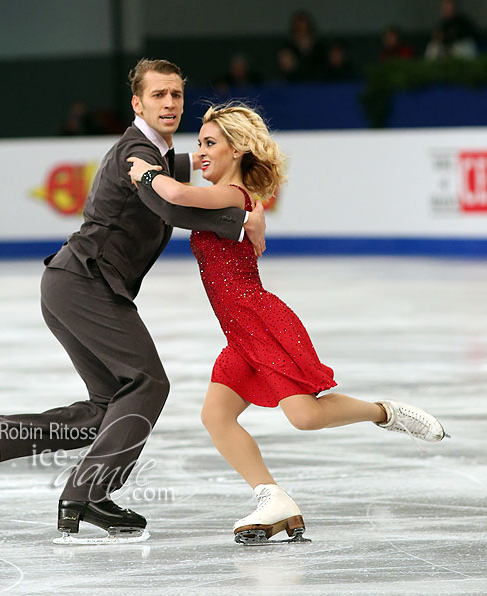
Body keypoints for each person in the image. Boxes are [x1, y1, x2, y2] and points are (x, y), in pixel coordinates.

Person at [0, 59, 266, 543]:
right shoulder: (137, 150)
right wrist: (242, 223)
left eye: (177, 94)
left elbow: (194, 179)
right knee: (148, 384)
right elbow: (169, 204)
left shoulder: (155, 152)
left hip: (72, 282)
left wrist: (246, 194)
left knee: (110, 407)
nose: (171, 103)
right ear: (137, 103)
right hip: (85, 282)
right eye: (159, 95)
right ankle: (87, 494)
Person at [127, 103, 448, 545]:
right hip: (239, 335)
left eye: (210, 144)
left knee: (304, 416)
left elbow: (176, 199)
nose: (200, 152)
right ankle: (272, 497)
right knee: (216, 417)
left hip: (262, 323)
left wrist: (145, 173)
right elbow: (181, 202)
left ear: (237, 149)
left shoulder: (233, 197)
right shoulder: (233, 202)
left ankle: (385, 413)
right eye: (198, 143)